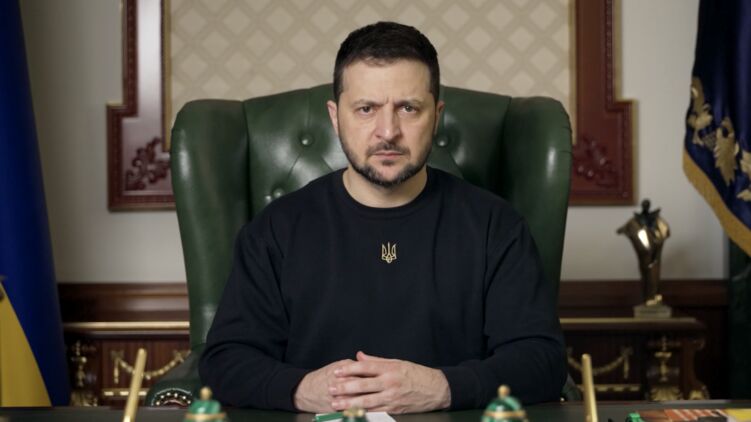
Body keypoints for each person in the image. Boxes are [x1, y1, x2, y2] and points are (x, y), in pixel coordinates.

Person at [198, 21, 566, 413]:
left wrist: (442, 387)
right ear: (335, 117)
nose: (387, 132)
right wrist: (302, 389)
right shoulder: (276, 229)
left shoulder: (496, 226)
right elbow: (224, 361)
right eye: (366, 109)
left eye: (408, 108)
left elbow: (542, 361)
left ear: (436, 116)